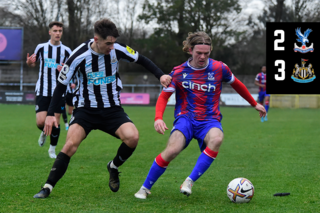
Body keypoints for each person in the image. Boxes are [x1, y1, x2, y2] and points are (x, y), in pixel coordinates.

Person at [33, 18, 172, 198]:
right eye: (108, 43)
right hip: (85, 110)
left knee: (133, 138)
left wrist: (160, 75)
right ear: (96, 39)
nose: (112, 47)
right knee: (70, 145)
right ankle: (47, 187)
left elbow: (142, 59)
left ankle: (113, 166)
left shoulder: (118, 49)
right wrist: (51, 114)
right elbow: (61, 85)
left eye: (113, 43)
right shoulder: (77, 56)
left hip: (112, 109)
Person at [134, 31, 266, 199]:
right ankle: (145, 188)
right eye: (199, 53)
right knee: (172, 149)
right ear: (190, 50)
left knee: (217, 139)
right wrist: (158, 117)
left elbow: (237, 84)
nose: (202, 56)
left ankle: (189, 181)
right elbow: (164, 96)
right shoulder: (178, 72)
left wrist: (255, 104)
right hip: (186, 118)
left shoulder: (219, 68)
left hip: (210, 120)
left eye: (206, 53)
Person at [26, 21, 72, 158]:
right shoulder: (41, 47)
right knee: (41, 122)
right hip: (43, 89)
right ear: (50, 32)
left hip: (59, 91)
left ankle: (52, 150)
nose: (58, 33)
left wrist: (65, 70)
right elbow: (33, 64)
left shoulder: (67, 51)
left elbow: (72, 70)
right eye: (55, 31)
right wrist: (29, 63)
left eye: (60, 31)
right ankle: (44, 132)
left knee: (55, 122)